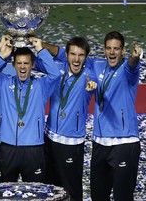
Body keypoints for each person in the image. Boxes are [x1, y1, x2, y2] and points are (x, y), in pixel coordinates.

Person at [0, 35, 60, 183]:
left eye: (26, 63)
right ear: (14, 65)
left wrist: (41, 50)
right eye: (19, 63)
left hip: (34, 149)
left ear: (33, 65)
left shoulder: (41, 86)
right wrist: (0, 52)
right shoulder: (4, 83)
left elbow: (55, 74)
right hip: (8, 148)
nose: (23, 67)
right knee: (2, 193)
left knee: (35, 194)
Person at [35, 36, 97, 201]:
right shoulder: (57, 68)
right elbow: (32, 61)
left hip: (71, 143)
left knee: (72, 190)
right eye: (73, 54)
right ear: (66, 55)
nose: (76, 59)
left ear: (86, 57)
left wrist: (92, 87)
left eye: (81, 55)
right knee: (49, 189)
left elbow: (93, 84)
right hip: (49, 139)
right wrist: (29, 42)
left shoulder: (89, 76)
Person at [88, 31, 143, 201]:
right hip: (100, 143)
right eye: (109, 48)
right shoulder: (97, 65)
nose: (112, 52)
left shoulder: (128, 70)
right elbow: (69, 55)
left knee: (123, 197)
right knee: (98, 196)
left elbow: (133, 65)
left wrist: (135, 57)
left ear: (123, 51)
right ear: (104, 50)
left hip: (124, 143)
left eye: (116, 49)